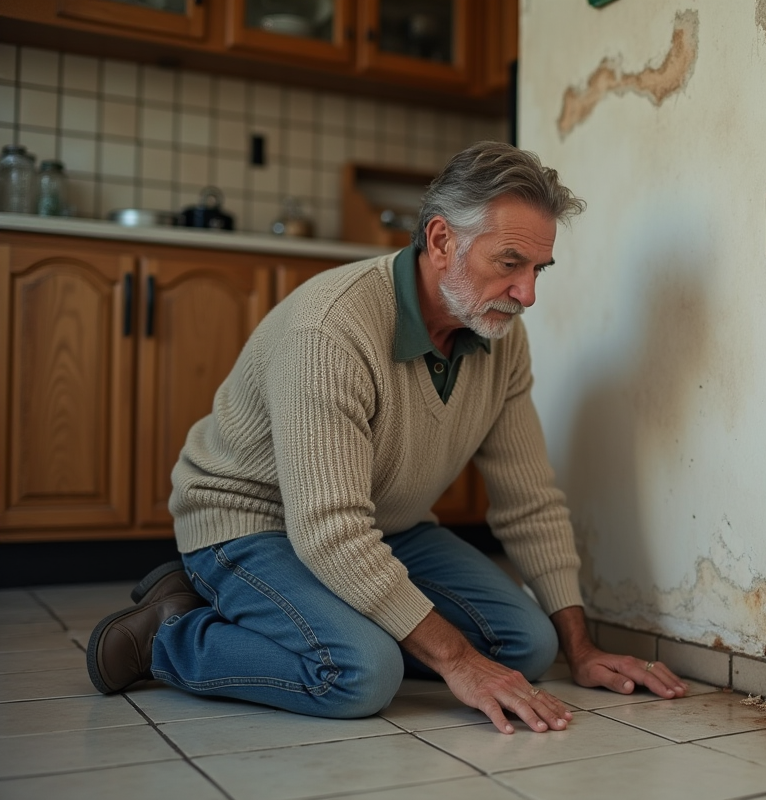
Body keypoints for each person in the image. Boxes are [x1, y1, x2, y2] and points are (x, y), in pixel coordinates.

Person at [86, 142, 687, 734]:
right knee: (361, 672)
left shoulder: (501, 338)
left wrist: (578, 648)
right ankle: (170, 632)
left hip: (379, 526)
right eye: (509, 263)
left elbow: (529, 501)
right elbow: (328, 530)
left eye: (539, 270)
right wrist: (457, 662)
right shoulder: (332, 330)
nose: (528, 293)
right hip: (250, 523)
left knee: (529, 646)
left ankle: (309, 616)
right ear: (441, 240)